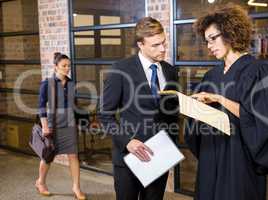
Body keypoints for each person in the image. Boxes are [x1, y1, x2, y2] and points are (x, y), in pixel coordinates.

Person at [185, 4, 268, 200]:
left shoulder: (257, 71)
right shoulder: (211, 75)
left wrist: (220, 99)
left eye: (213, 38)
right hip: (211, 151)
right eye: (206, 41)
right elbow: (198, 121)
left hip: (239, 156)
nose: (209, 46)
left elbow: (261, 120)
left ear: (230, 33)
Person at [98, 17, 178, 200]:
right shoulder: (120, 70)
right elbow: (105, 115)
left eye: (164, 43)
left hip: (159, 157)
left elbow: (171, 113)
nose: (163, 49)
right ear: (140, 44)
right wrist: (127, 141)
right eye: (155, 45)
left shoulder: (170, 71)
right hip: (129, 158)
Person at [36, 52, 86, 200]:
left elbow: (74, 106)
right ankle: (40, 182)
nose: (67, 68)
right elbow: (41, 107)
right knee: (48, 155)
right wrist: (45, 126)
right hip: (53, 124)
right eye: (64, 66)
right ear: (55, 67)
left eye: (68, 66)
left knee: (73, 155)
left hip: (69, 123)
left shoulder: (71, 83)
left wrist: (82, 122)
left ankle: (76, 187)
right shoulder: (47, 83)